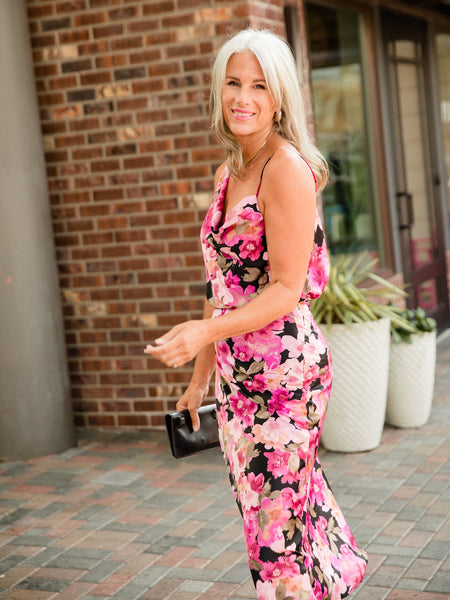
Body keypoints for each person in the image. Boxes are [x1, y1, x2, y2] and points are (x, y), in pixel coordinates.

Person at [145, 27, 367, 600]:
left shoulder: (285, 169)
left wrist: (203, 333)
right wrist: (200, 380)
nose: (243, 97)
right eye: (233, 83)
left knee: (276, 532)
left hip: (285, 377)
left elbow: (286, 289)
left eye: (259, 86)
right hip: (239, 381)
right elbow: (222, 283)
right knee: (273, 517)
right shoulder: (229, 172)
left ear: (279, 98)